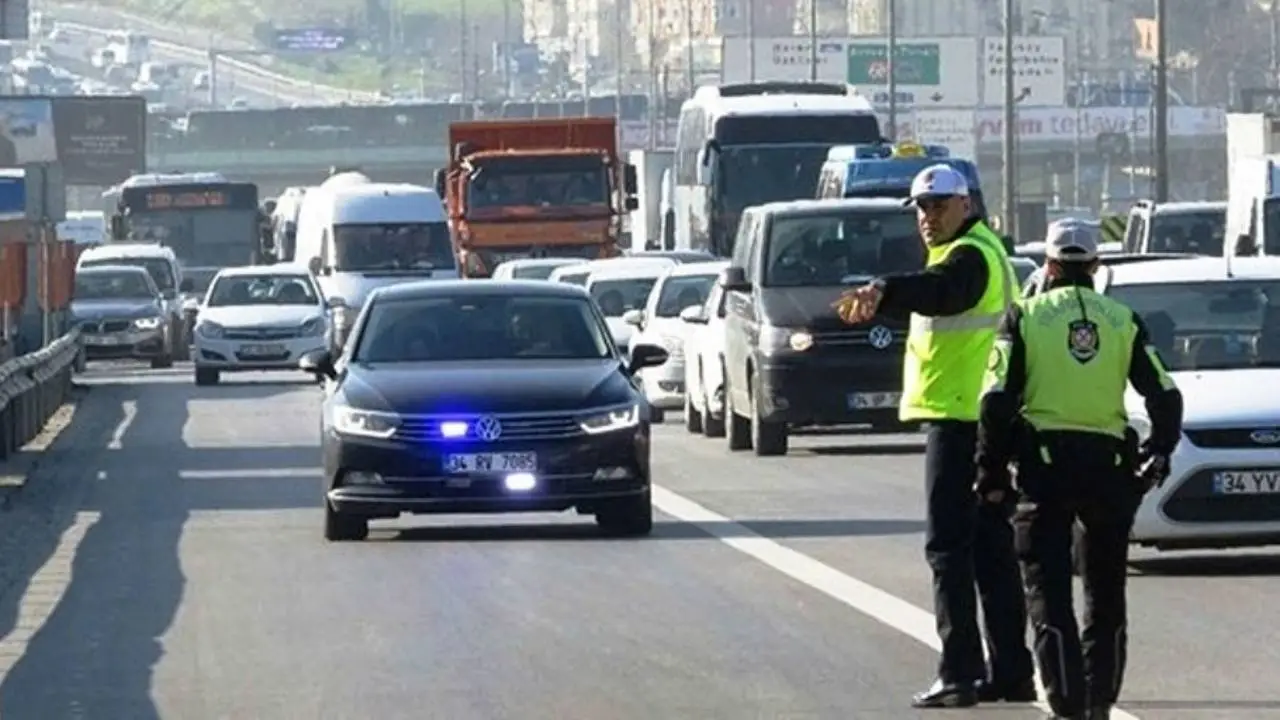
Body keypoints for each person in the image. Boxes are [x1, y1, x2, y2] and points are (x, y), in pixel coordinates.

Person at [834, 164, 1034, 708]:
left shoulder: (970, 256)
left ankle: (961, 672)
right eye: (921, 208)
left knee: (948, 549)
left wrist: (885, 288)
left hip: (961, 419)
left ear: (965, 204)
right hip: (984, 419)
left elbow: (945, 293)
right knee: (990, 550)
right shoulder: (976, 250)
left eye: (938, 205)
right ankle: (1012, 671)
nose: (927, 217)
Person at [974, 222, 1183, 720]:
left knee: (1048, 588)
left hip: (1045, 469)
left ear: (1047, 266)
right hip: (1108, 467)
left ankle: (1066, 704)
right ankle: (1099, 702)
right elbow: (1165, 394)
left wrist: (992, 470)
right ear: (1094, 267)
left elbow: (996, 400)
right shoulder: (1122, 319)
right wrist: (1160, 448)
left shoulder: (1024, 316)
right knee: (1106, 592)